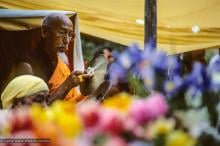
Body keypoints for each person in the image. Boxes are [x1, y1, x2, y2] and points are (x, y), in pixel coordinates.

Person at [6, 13, 91, 105]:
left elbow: (69, 103)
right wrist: (67, 85)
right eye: (62, 32)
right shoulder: (26, 66)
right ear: (45, 32)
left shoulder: (63, 67)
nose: (67, 40)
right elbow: (33, 109)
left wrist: (85, 93)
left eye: (70, 34)